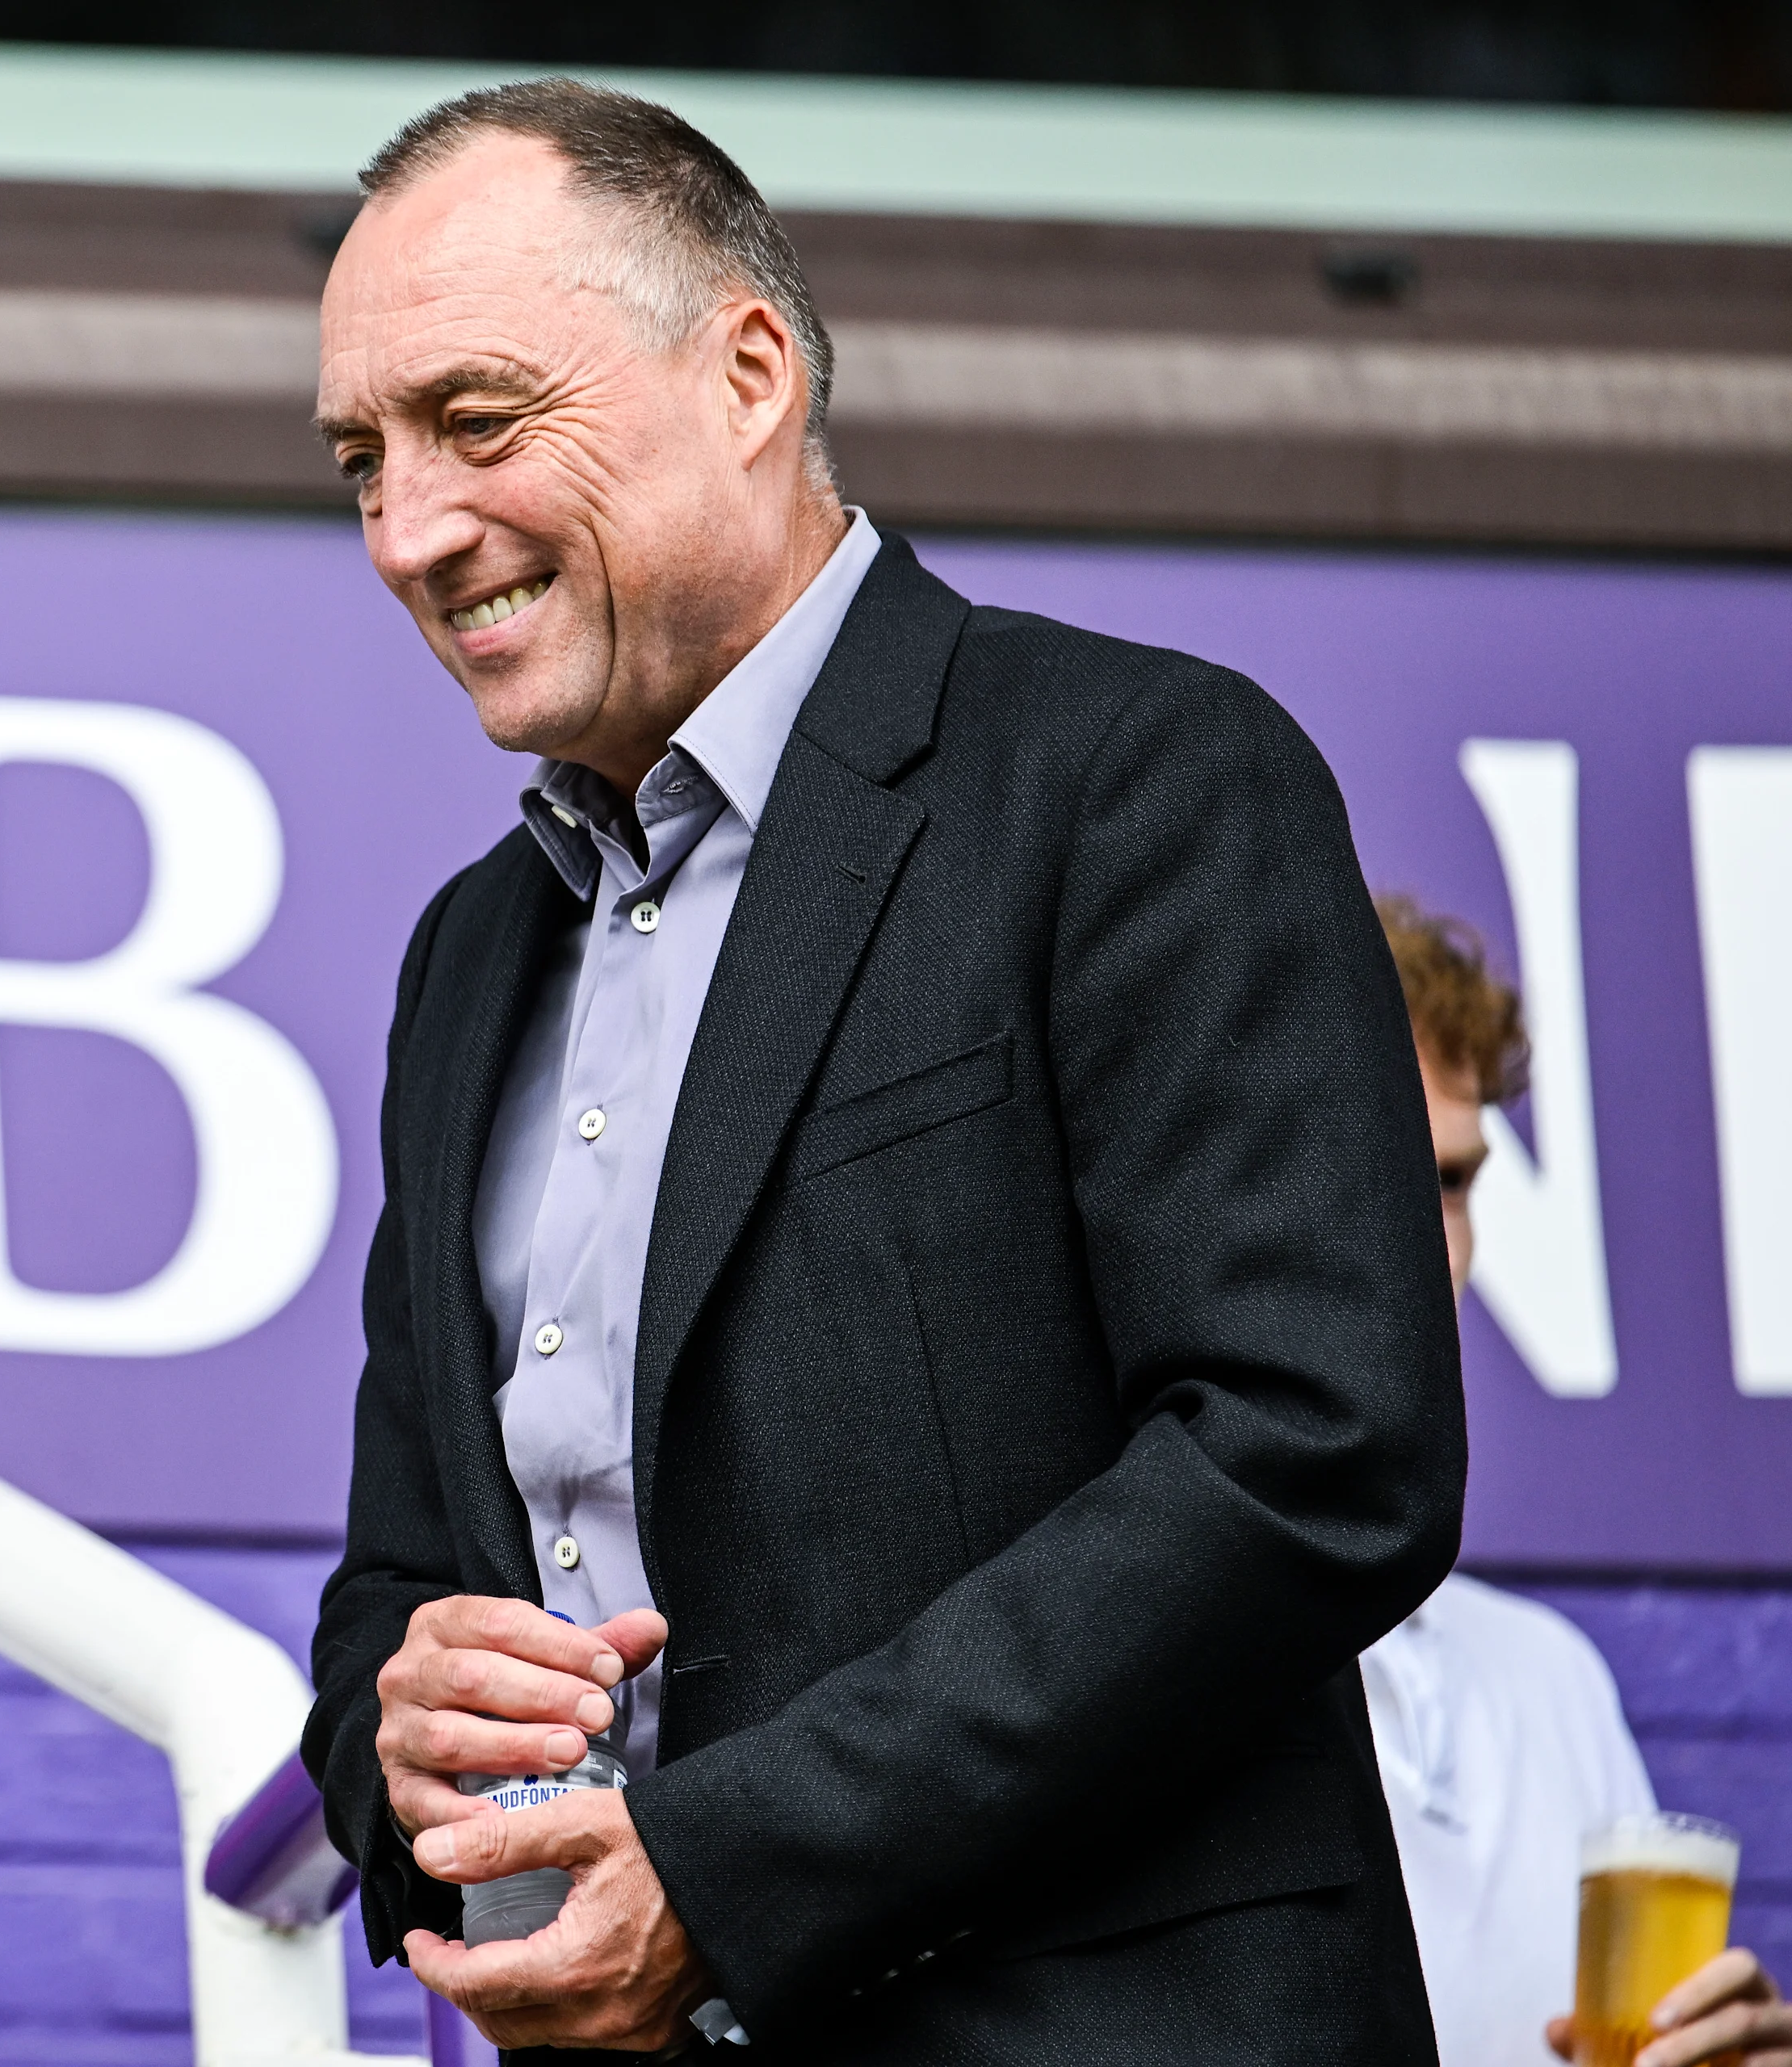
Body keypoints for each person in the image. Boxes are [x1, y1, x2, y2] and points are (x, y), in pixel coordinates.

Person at [299, 78, 1467, 2061]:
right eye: (360, 459)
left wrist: (729, 1867)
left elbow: (1311, 1451)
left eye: (477, 422)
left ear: (748, 369)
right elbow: (396, 1580)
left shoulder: (1140, 780)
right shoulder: (468, 956)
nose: (411, 528)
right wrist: (396, 1737)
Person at [1367, 896, 1791, 2067]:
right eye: (1387, 1168)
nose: (1438, 1245)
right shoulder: (1126, 1657)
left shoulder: (1554, 1683)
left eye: (1455, 1184)